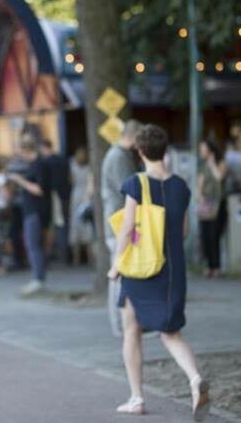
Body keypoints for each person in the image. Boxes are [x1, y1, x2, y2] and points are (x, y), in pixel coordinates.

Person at [109, 124, 209, 419]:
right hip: (172, 270)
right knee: (171, 333)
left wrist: (116, 265)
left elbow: (127, 230)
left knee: (131, 330)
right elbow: (185, 231)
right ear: (165, 151)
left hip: (141, 268)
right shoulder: (181, 186)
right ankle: (194, 378)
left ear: (139, 151)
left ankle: (136, 397)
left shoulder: (135, 184)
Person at [101, 119, 142, 336]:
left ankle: (125, 323)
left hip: (118, 221)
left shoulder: (119, 155)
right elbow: (128, 190)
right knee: (118, 273)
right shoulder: (119, 157)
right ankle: (121, 324)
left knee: (120, 272)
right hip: (119, 222)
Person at [6, 135, 48, 295]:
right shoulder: (33, 165)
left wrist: (20, 180)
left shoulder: (38, 166)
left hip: (36, 210)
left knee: (33, 244)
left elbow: (39, 189)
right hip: (31, 210)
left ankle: (38, 278)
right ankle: (37, 277)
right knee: (32, 244)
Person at [197, 140, 227, 278]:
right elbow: (200, 185)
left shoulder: (221, 163)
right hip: (206, 203)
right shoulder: (202, 166)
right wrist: (200, 197)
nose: (201, 152)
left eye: (203, 149)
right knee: (205, 236)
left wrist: (212, 163)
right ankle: (209, 265)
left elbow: (219, 177)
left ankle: (216, 266)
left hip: (218, 203)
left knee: (214, 235)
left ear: (210, 151)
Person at [41, 139, 71, 264]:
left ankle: (56, 253)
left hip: (53, 195)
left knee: (56, 225)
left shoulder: (47, 162)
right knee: (64, 224)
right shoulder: (62, 160)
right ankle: (65, 254)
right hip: (65, 194)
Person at [68, 147, 94, 266]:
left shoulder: (73, 165)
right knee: (87, 226)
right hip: (86, 195)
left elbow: (71, 181)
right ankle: (90, 258)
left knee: (75, 226)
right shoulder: (89, 167)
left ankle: (76, 259)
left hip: (76, 195)